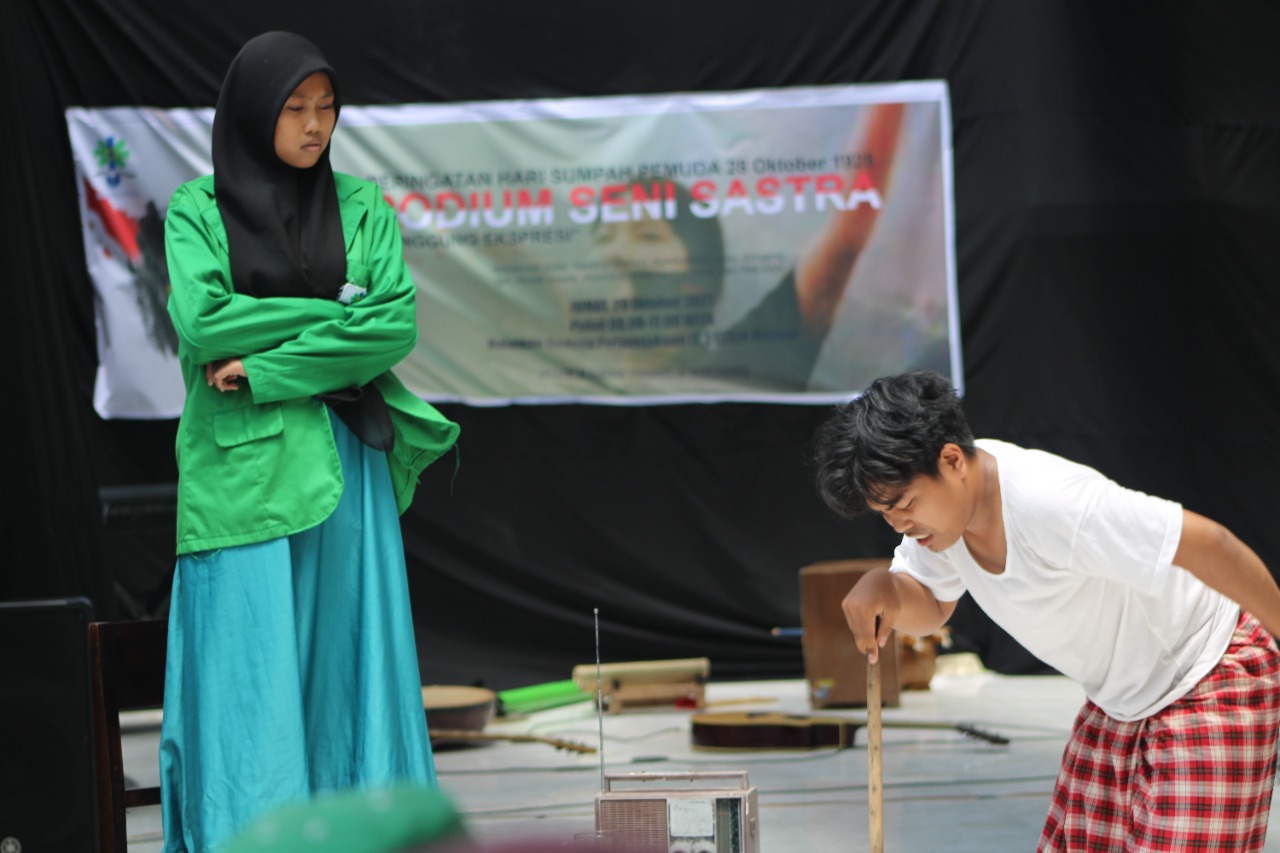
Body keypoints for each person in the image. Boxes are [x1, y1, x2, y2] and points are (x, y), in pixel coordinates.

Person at [159, 31, 460, 851]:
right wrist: (333, 313)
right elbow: (203, 320)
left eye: (327, 108)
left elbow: (390, 326)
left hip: (346, 471)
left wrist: (264, 367)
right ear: (255, 113)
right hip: (243, 478)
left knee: (353, 675)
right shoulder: (196, 209)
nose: (315, 125)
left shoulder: (361, 206)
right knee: (246, 683)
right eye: (295, 108)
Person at [812, 371, 1280, 851]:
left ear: (951, 460)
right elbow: (931, 605)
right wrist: (887, 589)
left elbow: (1212, 544)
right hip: (1122, 698)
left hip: (1209, 668)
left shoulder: (1051, 502)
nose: (901, 527)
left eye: (905, 505)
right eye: (886, 515)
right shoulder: (939, 525)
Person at [587, 103, 918, 390]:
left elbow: (844, 239)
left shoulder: (745, 360)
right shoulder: (560, 384)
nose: (616, 253)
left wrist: (897, 76)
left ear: (699, 279)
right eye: (604, 237)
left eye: (647, 236)